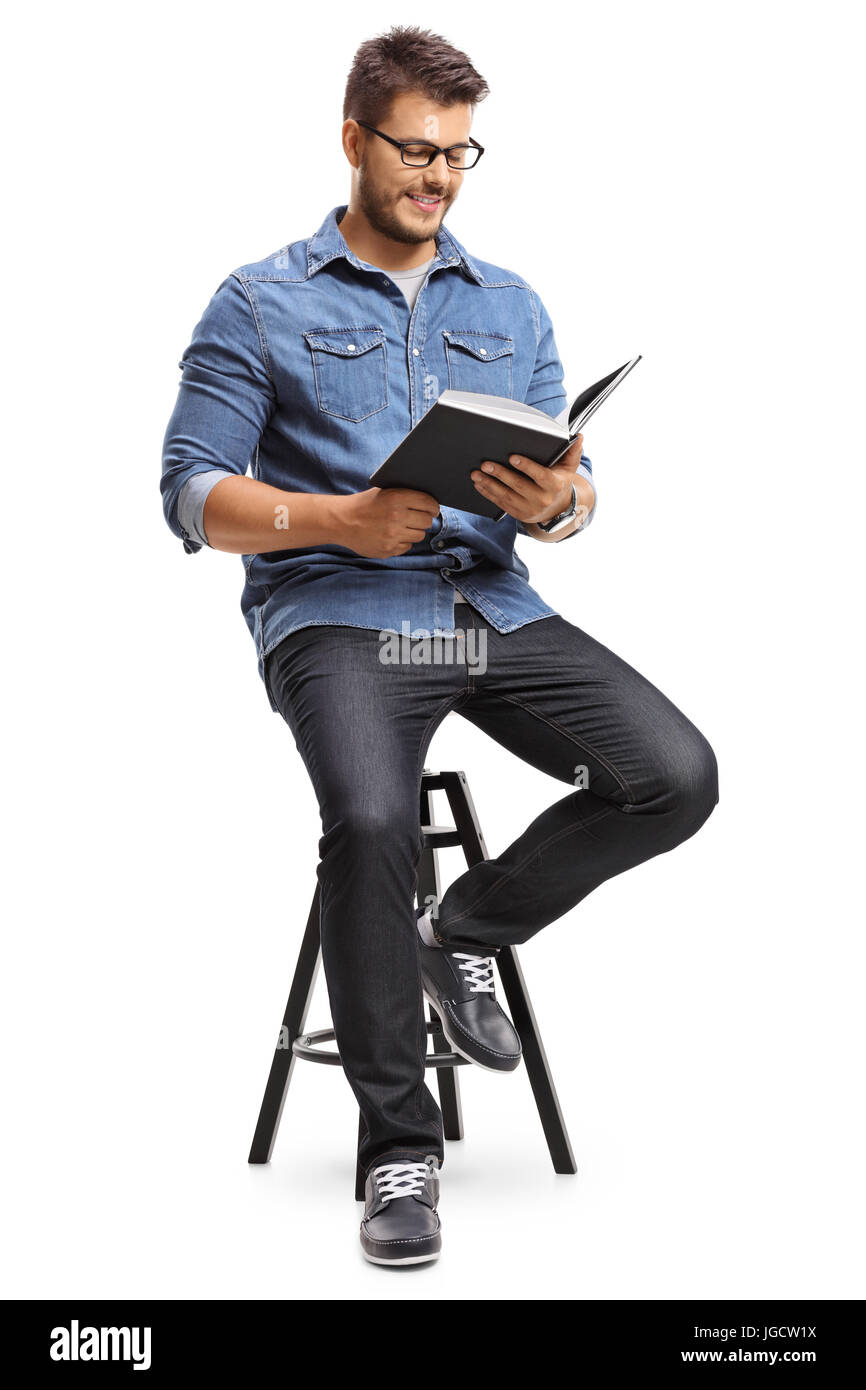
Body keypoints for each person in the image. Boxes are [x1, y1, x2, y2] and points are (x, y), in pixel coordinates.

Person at [160, 25, 719, 1268]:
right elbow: (189, 493)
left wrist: (558, 506)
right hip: (340, 617)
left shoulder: (507, 301)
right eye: (416, 151)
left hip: (483, 613)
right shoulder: (258, 299)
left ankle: (459, 930)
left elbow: (572, 488)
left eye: (460, 155)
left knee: (674, 776)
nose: (439, 178)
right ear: (353, 139)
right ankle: (397, 1152)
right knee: (369, 821)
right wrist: (339, 519)